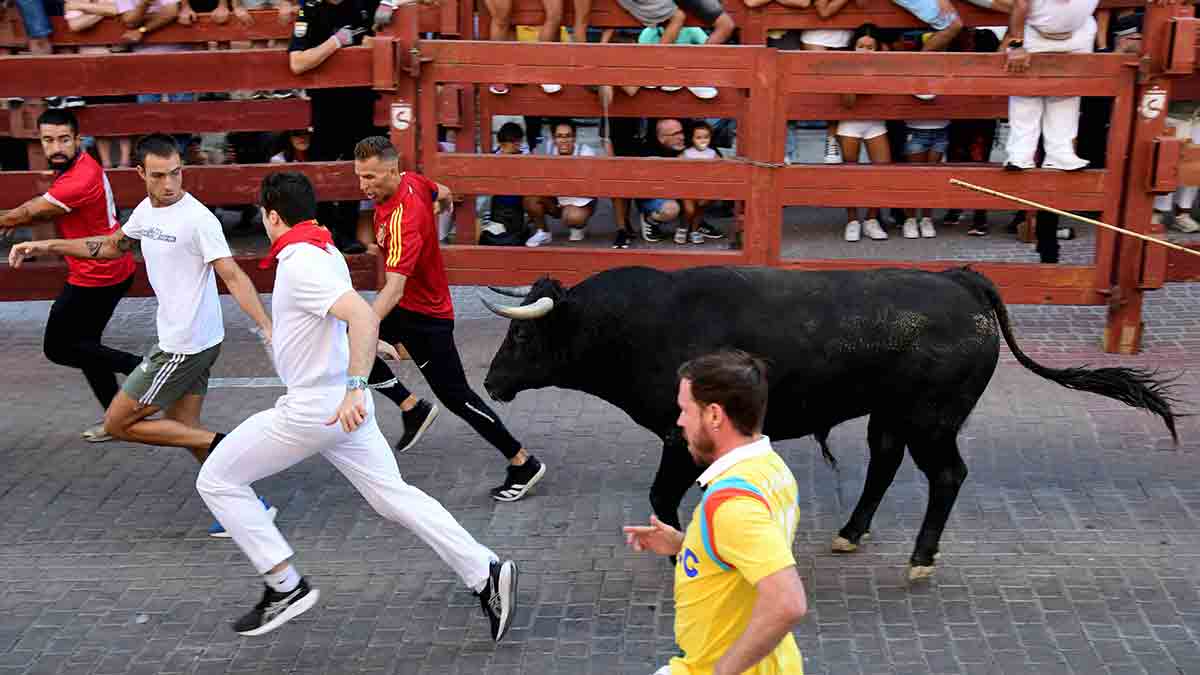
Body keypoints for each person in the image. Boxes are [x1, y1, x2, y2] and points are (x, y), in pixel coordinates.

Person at [195, 171, 519, 639]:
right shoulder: (325, 250)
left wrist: (353, 380)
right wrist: (361, 356)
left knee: (217, 478)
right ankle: (486, 572)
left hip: (315, 409)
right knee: (394, 498)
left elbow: (362, 315)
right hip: (347, 411)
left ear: (271, 215)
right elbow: (342, 319)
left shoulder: (301, 262)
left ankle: (285, 585)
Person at [8, 133, 276, 535]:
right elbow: (111, 246)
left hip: (183, 348)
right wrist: (48, 244)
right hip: (195, 341)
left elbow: (233, 276)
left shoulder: (198, 219)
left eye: (175, 174)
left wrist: (266, 326)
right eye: (158, 176)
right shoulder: (147, 215)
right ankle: (252, 506)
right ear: (140, 174)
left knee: (118, 423)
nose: (169, 185)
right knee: (184, 431)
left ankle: (228, 445)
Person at [353, 136, 548, 501]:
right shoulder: (413, 181)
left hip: (424, 317)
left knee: (457, 397)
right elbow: (441, 190)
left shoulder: (402, 221)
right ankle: (411, 407)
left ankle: (523, 462)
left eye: (371, 177)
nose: (364, 186)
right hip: (409, 307)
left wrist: (367, 325)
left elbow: (394, 289)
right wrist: (442, 204)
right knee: (347, 336)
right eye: (360, 177)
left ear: (392, 171)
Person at [624, 350, 808, 675]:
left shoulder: (732, 504)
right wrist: (687, 544)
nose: (679, 421)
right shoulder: (772, 469)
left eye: (684, 410)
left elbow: (788, 602)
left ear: (713, 415)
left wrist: (723, 671)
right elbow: (745, 552)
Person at [0, 108, 141, 443]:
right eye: (48, 140)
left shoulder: (79, 179)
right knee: (86, 346)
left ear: (79, 140)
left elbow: (30, 211)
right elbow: (36, 210)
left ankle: (141, 367)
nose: (56, 147)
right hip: (104, 270)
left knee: (59, 347)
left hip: (98, 275)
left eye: (64, 139)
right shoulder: (78, 168)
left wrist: (12, 219)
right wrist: (16, 219)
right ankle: (117, 420)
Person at [287, 0, 380, 253]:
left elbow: (380, 41)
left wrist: (372, 43)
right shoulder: (312, 10)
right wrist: (336, 43)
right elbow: (297, 62)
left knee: (357, 164)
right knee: (322, 166)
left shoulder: (364, 5)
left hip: (360, 101)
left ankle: (347, 233)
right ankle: (323, 232)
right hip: (325, 104)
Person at [1001, 0, 1098, 171]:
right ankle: (1020, 153)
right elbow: (1020, 4)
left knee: (1068, 93)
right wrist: (1017, 44)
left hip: (1079, 33)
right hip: (1034, 33)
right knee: (1026, 94)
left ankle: (1060, 153)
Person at [837, 24, 892, 243]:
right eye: (861, 46)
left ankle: (871, 220)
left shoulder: (884, 68)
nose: (865, 51)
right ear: (854, 48)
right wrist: (855, 74)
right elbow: (848, 104)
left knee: (882, 172)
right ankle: (852, 221)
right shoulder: (845, 68)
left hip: (876, 124)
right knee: (850, 175)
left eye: (870, 47)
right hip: (849, 124)